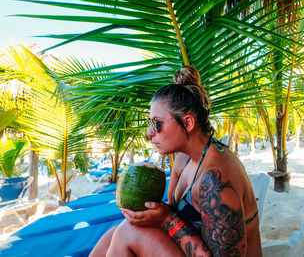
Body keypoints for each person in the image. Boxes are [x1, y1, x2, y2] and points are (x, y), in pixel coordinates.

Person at [90, 66, 262, 256]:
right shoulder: (183, 158)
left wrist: (166, 220)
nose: (149, 133)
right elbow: (174, 213)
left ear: (187, 123)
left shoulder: (214, 178)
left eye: (157, 124)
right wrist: (136, 202)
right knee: (115, 232)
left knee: (127, 234)